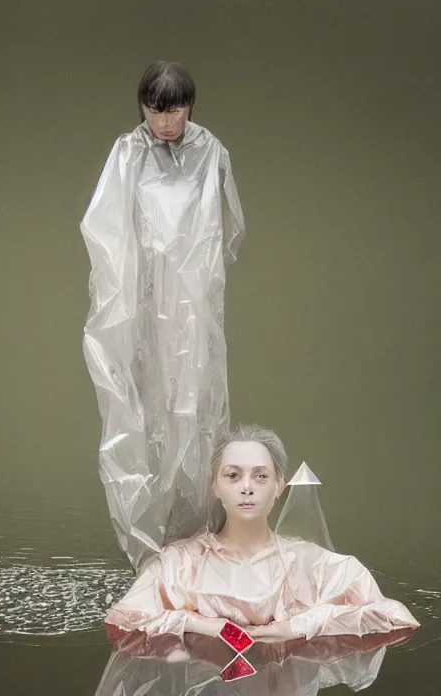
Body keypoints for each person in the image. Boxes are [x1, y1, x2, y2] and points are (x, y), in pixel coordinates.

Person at [81, 61, 245, 570]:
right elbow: (107, 228)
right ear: (144, 108)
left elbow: (226, 227)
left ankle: (200, 535)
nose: (165, 123)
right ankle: (148, 546)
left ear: (188, 108)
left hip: (193, 300)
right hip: (144, 298)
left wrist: (198, 279)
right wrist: (128, 294)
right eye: (156, 112)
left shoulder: (209, 150)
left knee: (195, 405)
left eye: (173, 112)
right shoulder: (128, 152)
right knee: (145, 405)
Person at [105, 424, 419, 644]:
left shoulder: (313, 565)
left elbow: (396, 618)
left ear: (279, 486)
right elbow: (123, 619)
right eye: (233, 475)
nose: (246, 487)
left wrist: (299, 625)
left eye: (260, 476)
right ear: (216, 486)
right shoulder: (180, 562)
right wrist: (199, 624)